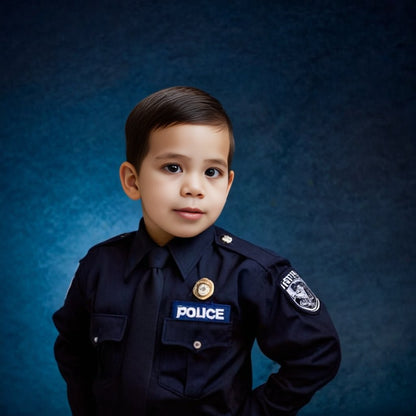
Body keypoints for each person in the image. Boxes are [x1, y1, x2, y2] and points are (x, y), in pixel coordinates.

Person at [53, 86, 341, 416]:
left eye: (212, 172)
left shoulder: (251, 272)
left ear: (228, 184)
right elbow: (72, 348)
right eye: (173, 167)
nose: (194, 187)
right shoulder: (100, 265)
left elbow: (317, 353)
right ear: (133, 181)